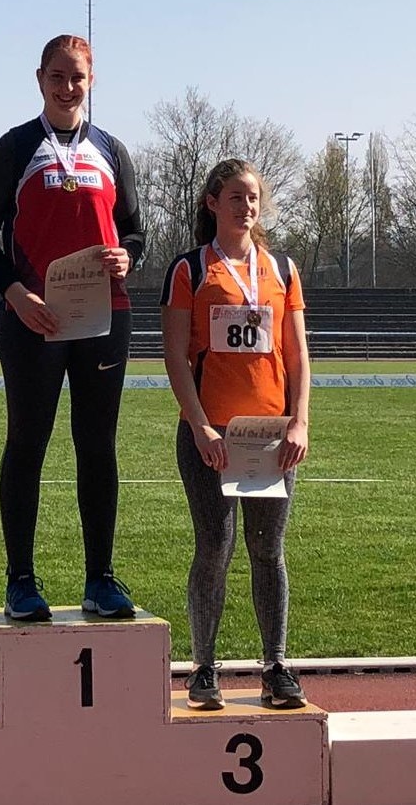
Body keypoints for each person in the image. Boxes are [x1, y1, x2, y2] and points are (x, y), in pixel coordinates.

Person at [0, 33, 144, 622]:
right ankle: (21, 580)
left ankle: (101, 578)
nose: (68, 87)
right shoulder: (15, 148)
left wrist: (128, 257)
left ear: (92, 81)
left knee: (97, 445)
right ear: (39, 79)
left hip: (104, 317)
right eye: (57, 76)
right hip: (33, 318)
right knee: (28, 443)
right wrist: (15, 293)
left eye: (78, 77)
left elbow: (134, 232)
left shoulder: (112, 150)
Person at [160, 158, 310, 711]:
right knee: (214, 548)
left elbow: (297, 355)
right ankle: (204, 669)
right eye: (235, 197)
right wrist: (200, 425)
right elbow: (175, 356)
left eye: (253, 197)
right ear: (212, 204)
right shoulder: (190, 269)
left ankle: (276, 667)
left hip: (271, 436)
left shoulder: (282, 270)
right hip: (213, 436)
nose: (246, 207)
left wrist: (300, 421)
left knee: (268, 550)